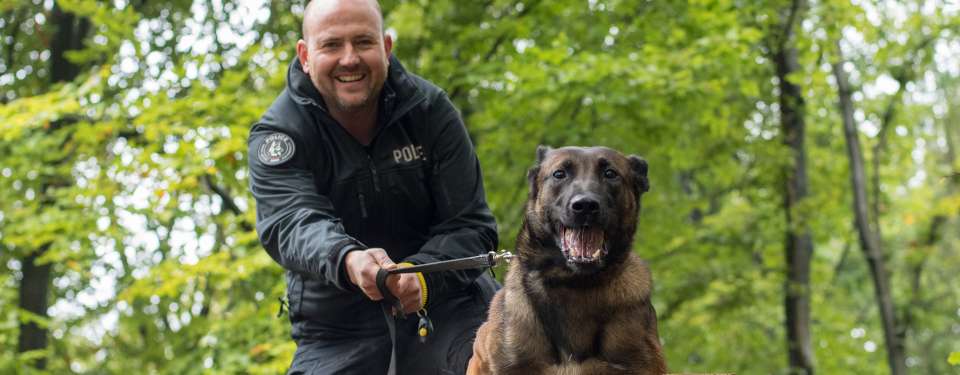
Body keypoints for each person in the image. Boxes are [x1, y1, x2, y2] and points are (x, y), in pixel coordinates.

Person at [247, 0, 499, 373]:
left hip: (451, 309)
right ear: (305, 54)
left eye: (363, 42)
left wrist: (421, 277)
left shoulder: (431, 111)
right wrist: (348, 260)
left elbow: (472, 226)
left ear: (386, 47)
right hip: (336, 331)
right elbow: (292, 223)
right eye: (332, 45)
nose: (349, 59)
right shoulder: (279, 134)